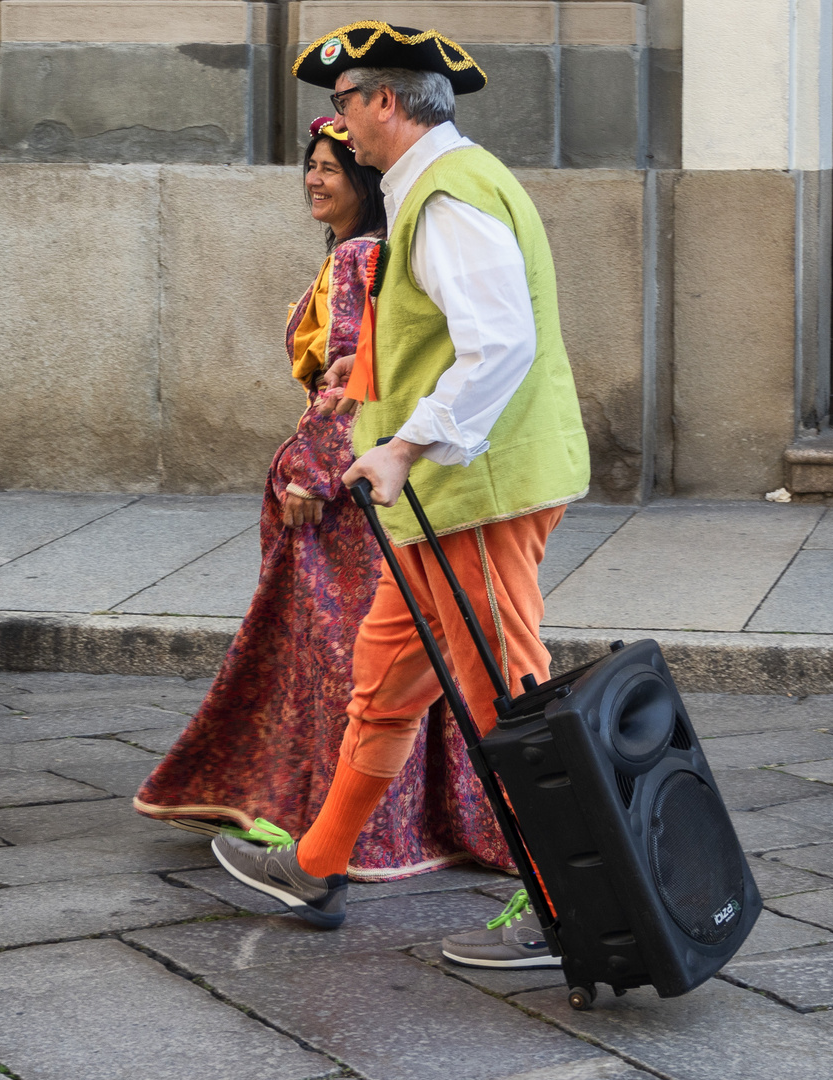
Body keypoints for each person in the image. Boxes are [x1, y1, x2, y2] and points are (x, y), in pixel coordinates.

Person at [208, 21, 590, 971]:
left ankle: (572, 902)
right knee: (382, 683)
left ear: (383, 102)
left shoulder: (449, 195)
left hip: (477, 491)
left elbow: (498, 343)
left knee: (506, 693)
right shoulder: (439, 188)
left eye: (343, 105)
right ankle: (317, 863)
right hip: (440, 500)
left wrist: (409, 445)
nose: (338, 125)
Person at [133, 117, 511, 881]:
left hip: (343, 500)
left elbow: (351, 386)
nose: (315, 179)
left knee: (349, 664)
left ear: (364, 180)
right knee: (391, 667)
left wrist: (310, 467)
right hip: (378, 487)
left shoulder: (361, 258)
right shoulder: (370, 252)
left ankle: (346, 840)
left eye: (331, 168)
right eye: (309, 167)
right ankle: (385, 833)